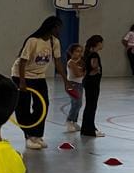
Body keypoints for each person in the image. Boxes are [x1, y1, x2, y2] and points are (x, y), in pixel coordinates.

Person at [10, 16, 71, 150]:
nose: (60, 31)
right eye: (58, 28)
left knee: (42, 105)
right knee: (23, 107)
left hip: (39, 76)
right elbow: (22, 62)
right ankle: (28, 136)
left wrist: (66, 81)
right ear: (52, 27)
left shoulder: (54, 42)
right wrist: (22, 81)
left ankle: (37, 135)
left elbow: (58, 62)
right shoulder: (33, 41)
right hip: (21, 75)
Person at [80, 35, 105, 138]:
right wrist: (97, 70)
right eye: (102, 42)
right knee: (91, 106)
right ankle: (89, 130)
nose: (103, 45)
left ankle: (87, 128)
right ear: (98, 43)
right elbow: (94, 67)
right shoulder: (94, 54)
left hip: (89, 83)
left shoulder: (89, 53)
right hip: (92, 83)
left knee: (89, 106)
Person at [64, 43, 84, 133]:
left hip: (80, 84)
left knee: (77, 104)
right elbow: (77, 74)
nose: (79, 53)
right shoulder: (71, 62)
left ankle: (74, 121)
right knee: (77, 103)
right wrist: (86, 71)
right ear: (71, 52)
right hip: (73, 85)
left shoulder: (80, 62)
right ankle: (69, 121)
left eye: (81, 51)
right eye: (77, 51)